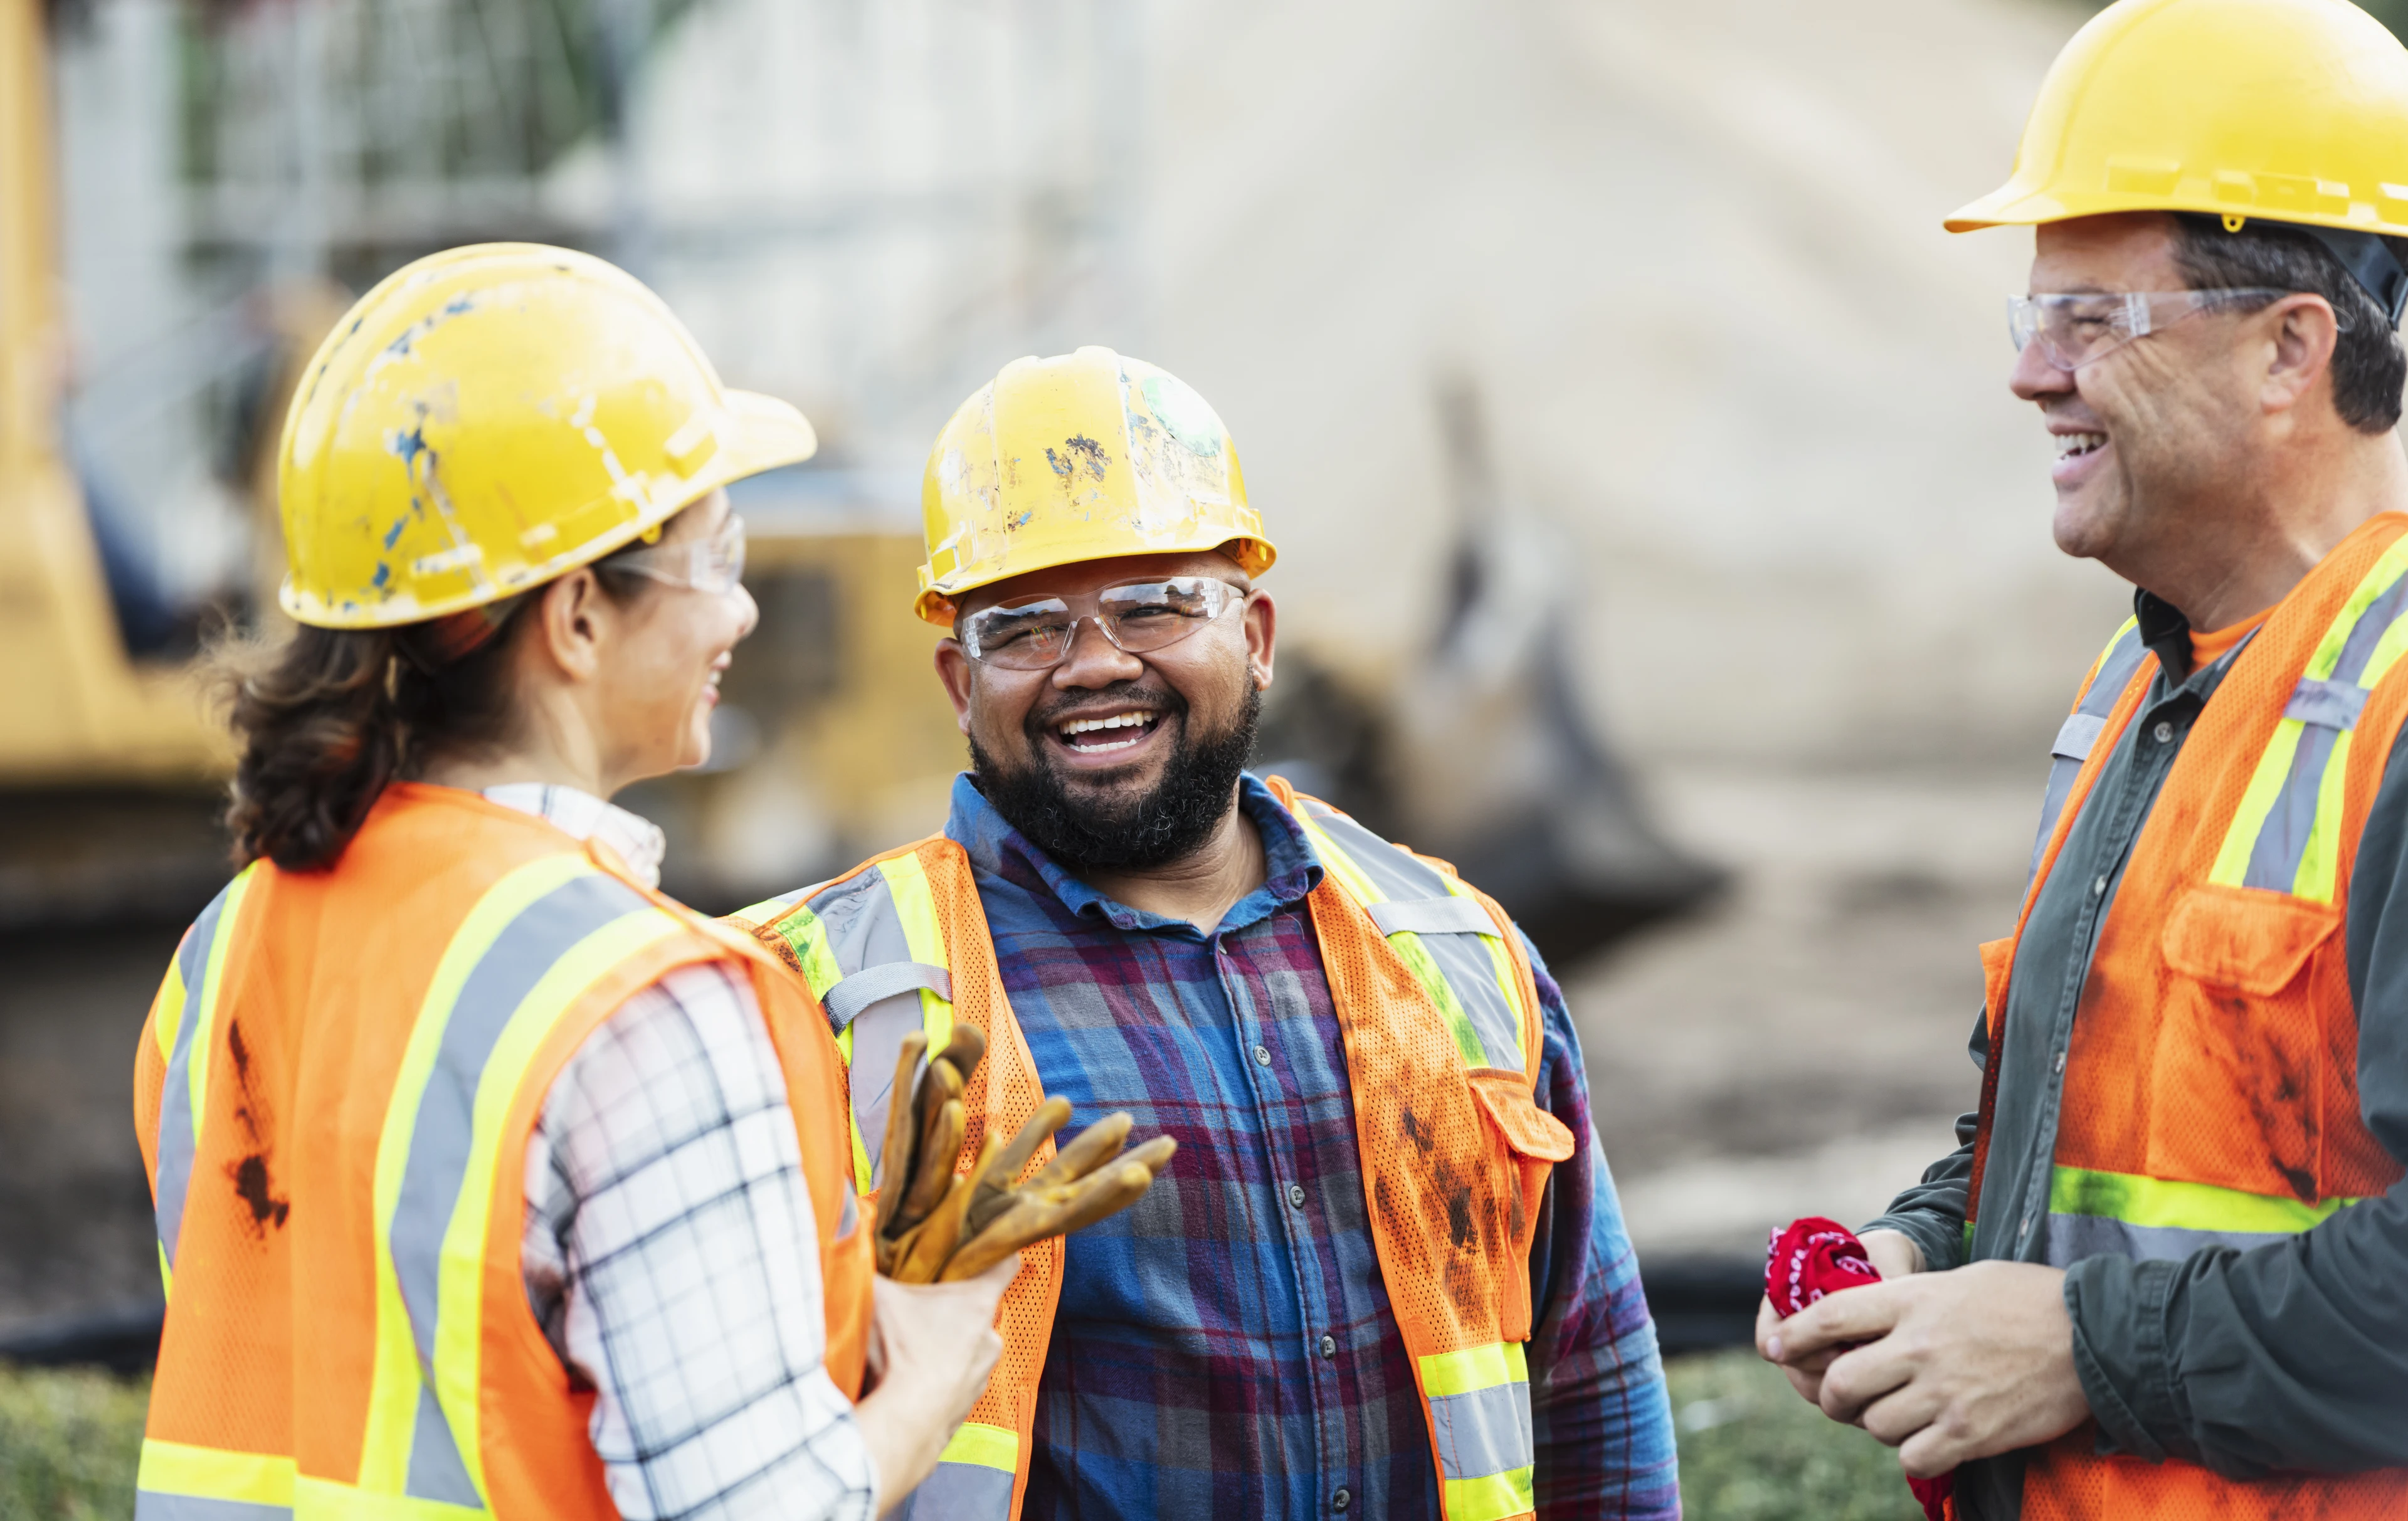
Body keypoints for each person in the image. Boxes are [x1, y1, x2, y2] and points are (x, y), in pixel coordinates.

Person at [130, 243, 1015, 1521]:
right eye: (718, 559)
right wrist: (928, 1384)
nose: (742, 614)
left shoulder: (224, 947)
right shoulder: (648, 1005)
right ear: (578, 615)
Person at [728, 345, 1677, 1520]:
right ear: (954, 682)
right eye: (1024, 627)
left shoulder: (1456, 948)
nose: (1094, 664)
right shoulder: (805, 998)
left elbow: (1591, 1381)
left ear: (1260, 634)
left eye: (1154, 605)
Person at [1755, 1, 2408, 1516]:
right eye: (2026, 317)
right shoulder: (2144, 674)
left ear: (2289, 351)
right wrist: (1926, 1249)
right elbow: (2086, 1142)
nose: (2030, 374)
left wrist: (2075, 1347)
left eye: (2093, 320)